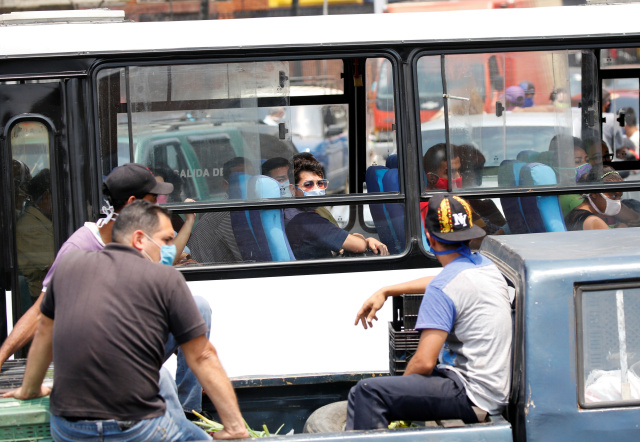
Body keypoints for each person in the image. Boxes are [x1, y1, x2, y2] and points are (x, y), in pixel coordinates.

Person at [3, 201, 249, 441]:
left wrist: (30, 390)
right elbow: (203, 356)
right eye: (165, 240)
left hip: (69, 429)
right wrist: (235, 428)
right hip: (134, 428)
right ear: (140, 239)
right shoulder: (165, 279)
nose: (170, 249)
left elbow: (45, 332)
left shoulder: (69, 265)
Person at [0, 163, 211, 420]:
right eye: (153, 199)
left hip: (135, 341)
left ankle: (190, 412)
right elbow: (39, 315)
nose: (159, 206)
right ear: (133, 203)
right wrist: (2, 355)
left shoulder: (144, 239)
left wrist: (188, 224)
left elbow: (167, 262)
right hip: (99, 354)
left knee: (198, 307)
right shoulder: (81, 246)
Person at [348, 194, 511, 429]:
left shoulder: (442, 289)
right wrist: (387, 290)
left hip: (473, 393)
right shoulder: (485, 266)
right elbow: (446, 280)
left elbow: (424, 362)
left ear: (429, 238)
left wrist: (398, 398)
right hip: (494, 386)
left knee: (366, 392)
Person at [284, 155, 388, 259]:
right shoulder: (308, 221)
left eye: (320, 183)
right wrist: (365, 239)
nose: (316, 189)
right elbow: (359, 246)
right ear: (292, 189)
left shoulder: (291, 211)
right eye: (308, 185)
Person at [187, 157, 250, 264]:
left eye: (250, 179)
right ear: (225, 185)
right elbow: (248, 258)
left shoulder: (244, 208)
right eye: (240, 180)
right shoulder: (228, 214)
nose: (247, 184)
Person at [15, 169, 55, 302]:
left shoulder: (44, 220)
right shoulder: (29, 226)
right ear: (46, 196)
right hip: (39, 298)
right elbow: (56, 265)